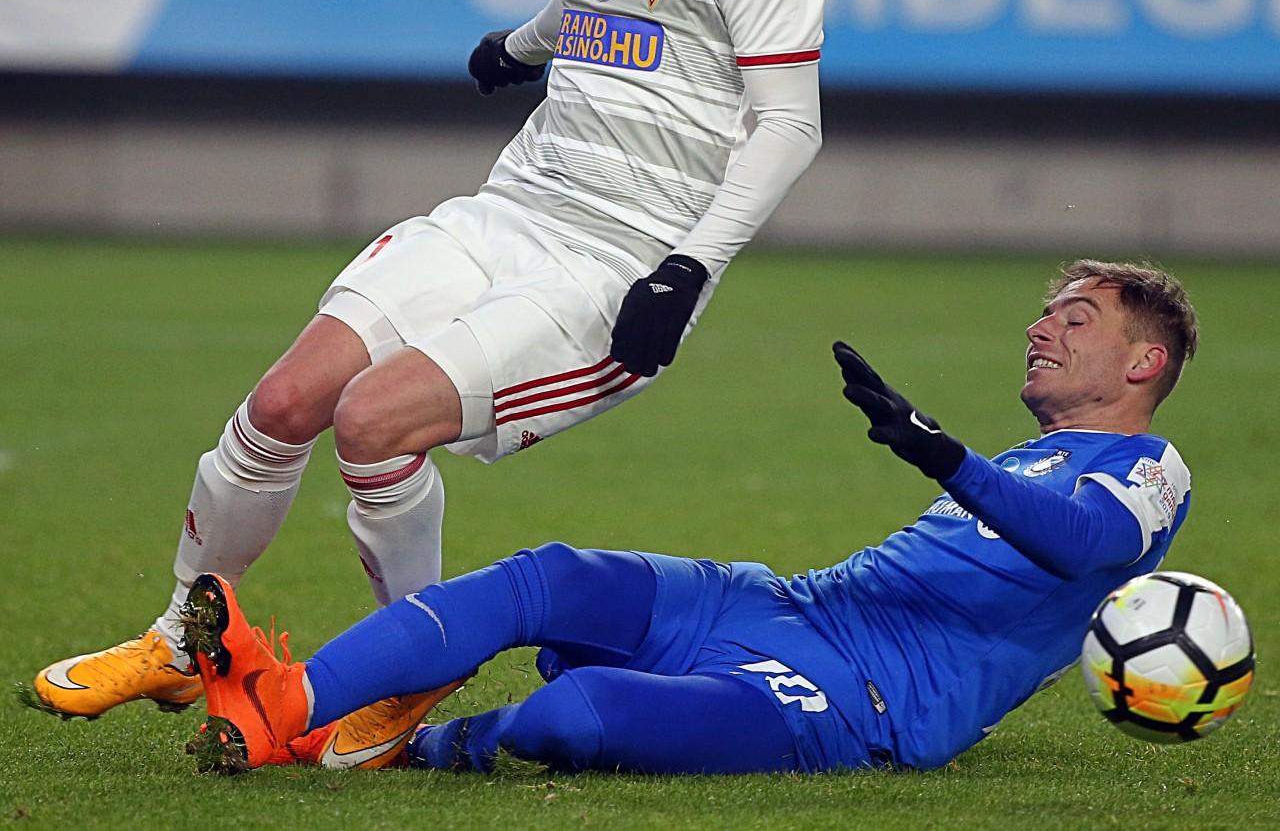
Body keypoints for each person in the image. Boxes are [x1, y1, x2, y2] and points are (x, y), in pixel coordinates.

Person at [28, 0, 824, 767]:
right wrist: (522, 44)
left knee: (372, 422)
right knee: (282, 404)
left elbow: (789, 126)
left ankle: (414, 666)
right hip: (509, 209)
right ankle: (182, 634)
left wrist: (685, 269)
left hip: (621, 264)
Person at [179, 259, 1196, 775]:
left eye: (1074, 319)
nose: (1040, 328)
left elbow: (1082, 544)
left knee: (578, 716)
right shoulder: (1031, 456)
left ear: (1143, 363)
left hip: (858, 702)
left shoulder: (1149, 470)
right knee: (549, 577)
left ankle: (416, 746)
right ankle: (283, 706)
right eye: (1045, 312)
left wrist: (939, 452)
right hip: (789, 604)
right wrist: (954, 458)